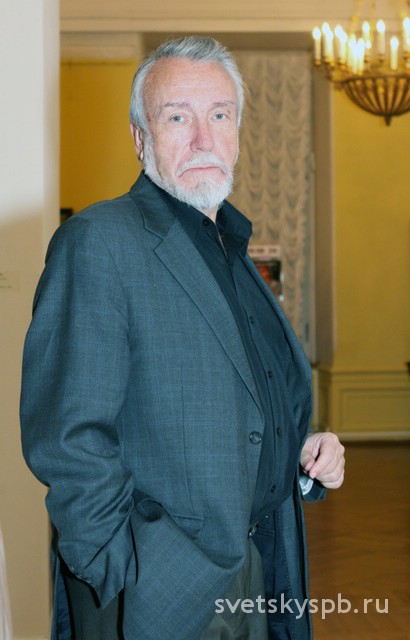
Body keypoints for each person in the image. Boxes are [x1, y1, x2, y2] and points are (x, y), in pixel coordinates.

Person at [20, 36, 345, 640]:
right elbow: (67, 439)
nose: (203, 138)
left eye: (220, 115)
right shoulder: (99, 242)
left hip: (268, 563)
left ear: (238, 131)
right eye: (177, 118)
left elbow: (240, 404)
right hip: (163, 592)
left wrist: (300, 452)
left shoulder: (232, 248)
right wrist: (126, 576)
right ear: (140, 138)